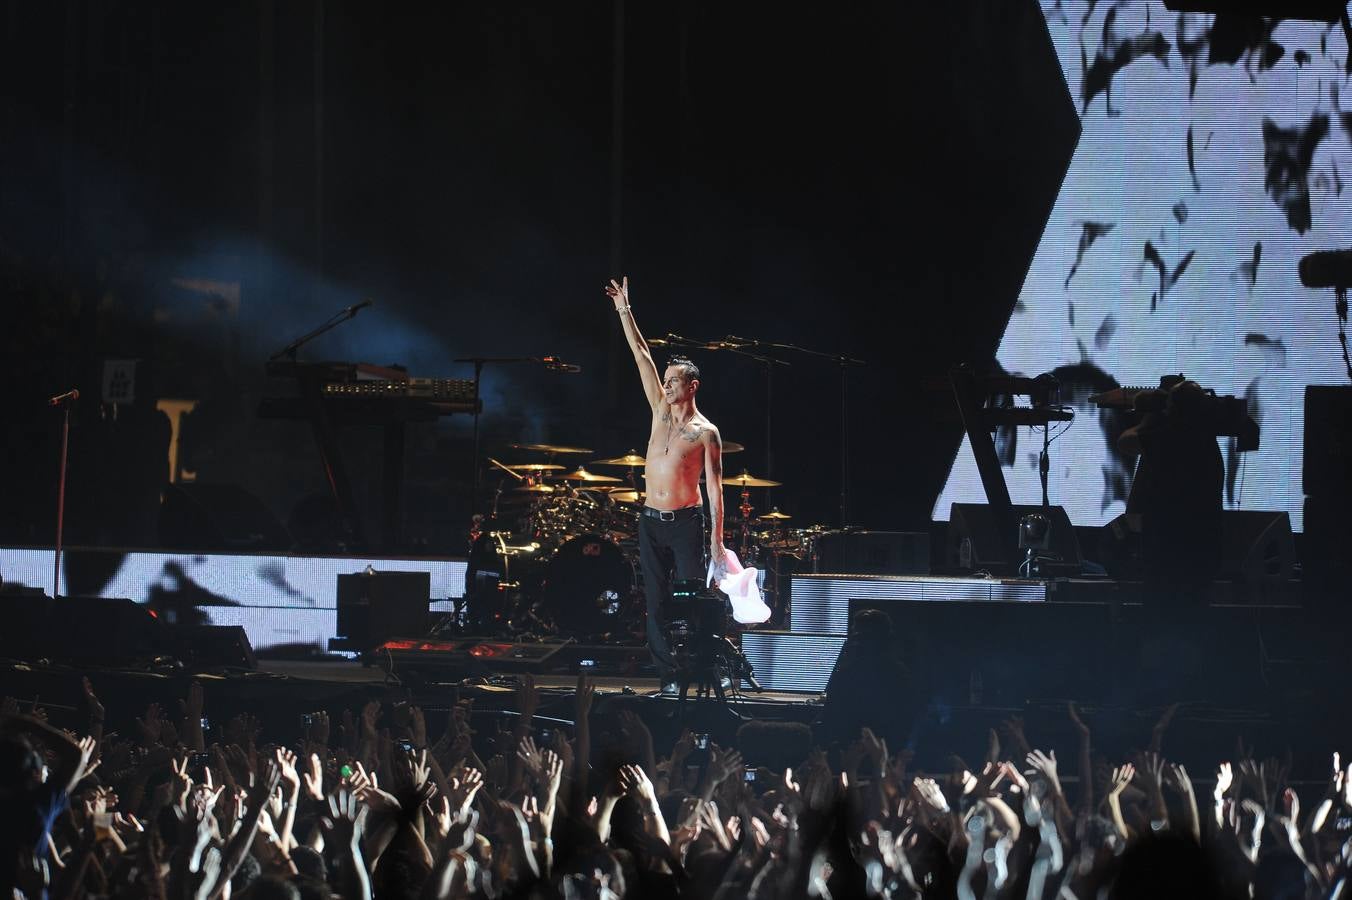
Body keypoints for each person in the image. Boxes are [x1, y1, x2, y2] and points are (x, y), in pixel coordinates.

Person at [606, 275, 727, 694]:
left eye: (674, 380)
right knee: (654, 604)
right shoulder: (659, 409)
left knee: (692, 601)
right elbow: (640, 352)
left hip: (686, 523)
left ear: (691, 386)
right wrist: (625, 309)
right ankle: (668, 677)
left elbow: (715, 488)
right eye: (667, 379)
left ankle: (700, 669)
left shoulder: (705, 432)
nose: (667, 384)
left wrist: (717, 540)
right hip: (650, 521)